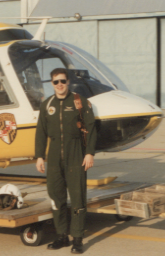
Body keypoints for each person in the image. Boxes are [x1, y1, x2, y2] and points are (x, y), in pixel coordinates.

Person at [35, 68, 97, 254]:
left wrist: (89, 153)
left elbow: (91, 128)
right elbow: (41, 132)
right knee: (56, 198)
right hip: (54, 156)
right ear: (52, 84)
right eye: (56, 82)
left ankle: (77, 239)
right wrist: (39, 156)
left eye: (62, 81)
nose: (60, 85)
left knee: (78, 198)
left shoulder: (79, 102)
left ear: (68, 82)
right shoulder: (47, 105)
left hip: (76, 153)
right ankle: (61, 236)